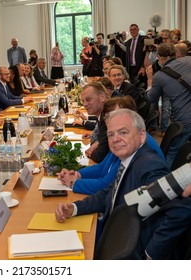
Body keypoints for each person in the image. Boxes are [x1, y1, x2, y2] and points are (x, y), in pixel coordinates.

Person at [55, 109, 169, 259]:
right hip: (114, 236)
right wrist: (74, 208)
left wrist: (151, 255)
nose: (115, 139)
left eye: (123, 132)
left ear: (141, 136)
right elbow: (108, 193)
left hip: (130, 252)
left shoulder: (149, 165)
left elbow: (177, 212)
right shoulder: (130, 159)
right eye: (111, 134)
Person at [58, 96, 164, 195]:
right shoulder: (117, 137)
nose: (113, 120)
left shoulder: (131, 142)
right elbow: (102, 167)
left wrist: (74, 183)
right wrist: (77, 174)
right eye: (108, 117)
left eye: (117, 115)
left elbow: (107, 185)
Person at [146, 43, 191, 168]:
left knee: (172, 150)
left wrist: (150, 80)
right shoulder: (189, 60)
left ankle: (164, 179)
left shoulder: (159, 76)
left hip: (184, 118)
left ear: (160, 57)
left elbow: (150, 98)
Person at [74, 83, 109, 163]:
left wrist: (92, 150)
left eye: (88, 99)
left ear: (102, 97)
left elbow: (100, 156)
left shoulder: (107, 118)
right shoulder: (101, 114)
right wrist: (98, 142)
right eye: (83, 101)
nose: (85, 104)